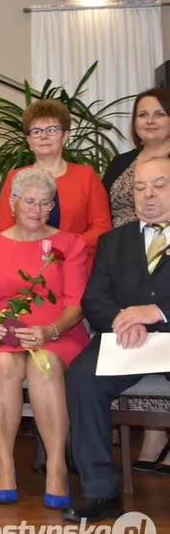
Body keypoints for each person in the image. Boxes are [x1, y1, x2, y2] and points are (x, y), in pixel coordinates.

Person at [0, 169, 88, 507]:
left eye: (46, 203)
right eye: (30, 201)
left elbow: (75, 303)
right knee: (4, 365)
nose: (37, 210)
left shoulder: (71, 244)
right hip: (6, 336)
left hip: (57, 335)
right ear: (13, 203)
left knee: (45, 366)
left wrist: (48, 331)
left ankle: (56, 466)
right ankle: (4, 463)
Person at [62, 157, 170, 522]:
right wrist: (124, 321)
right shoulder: (113, 241)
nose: (148, 195)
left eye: (159, 185)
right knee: (81, 377)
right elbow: (94, 299)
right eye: (139, 188)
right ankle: (100, 492)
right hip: (124, 338)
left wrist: (156, 313)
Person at [100, 89, 170, 472]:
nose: (150, 121)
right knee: (87, 372)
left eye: (159, 113)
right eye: (143, 114)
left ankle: (161, 435)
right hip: (124, 261)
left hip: (166, 263)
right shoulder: (122, 162)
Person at [0, 99, 111, 266]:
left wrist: (68, 247)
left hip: (76, 265)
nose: (43, 136)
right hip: (25, 267)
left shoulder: (86, 176)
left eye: (52, 129)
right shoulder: (14, 178)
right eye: (36, 131)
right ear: (28, 140)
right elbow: (3, 230)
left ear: (65, 135)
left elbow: (102, 228)